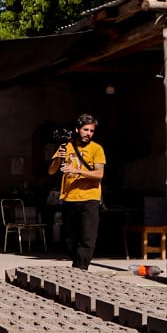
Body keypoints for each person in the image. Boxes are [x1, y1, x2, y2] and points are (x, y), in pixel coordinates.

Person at [49, 113, 105, 270]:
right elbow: (52, 171)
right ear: (77, 129)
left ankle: (81, 268)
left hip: (90, 198)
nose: (88, 133)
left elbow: (99, 175)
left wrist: (76, 170)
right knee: (68, 238)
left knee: (87, 237)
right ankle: (77, 263)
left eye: (91, 131)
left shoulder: (97, 149)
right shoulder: (66, 146)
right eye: (85, 130)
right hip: (69, 197)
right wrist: (58, 159)